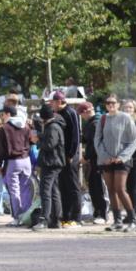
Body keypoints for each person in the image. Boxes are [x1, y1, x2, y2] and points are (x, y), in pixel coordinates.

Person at [95, 94, 136, 233]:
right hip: (106, 159)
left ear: (118, 104)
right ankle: (117, 220)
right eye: (108, 103)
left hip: (122, 159)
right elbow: (97, 140)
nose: (110, 105)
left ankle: (133, 220)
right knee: (111, 190)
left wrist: (123, 156)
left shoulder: (126, 118)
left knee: (120, 188)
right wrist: (105, 156)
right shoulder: (102, 119)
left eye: (113, 103)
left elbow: (134, 140)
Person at [0, 104, 32, 226]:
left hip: (13, 161)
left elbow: (0, 149)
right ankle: (27, 215)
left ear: (8, 114)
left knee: (14, 190)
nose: (2, 117)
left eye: (3, 114)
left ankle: (17, 217)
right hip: (26, 160)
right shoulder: (26, 126)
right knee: (26, 189)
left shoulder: (4, 128)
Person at [49, 91, 82, 227]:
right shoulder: (57, 114)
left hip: (69, 156)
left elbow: (75, 136)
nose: (51, 105)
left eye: (52, 102)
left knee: (73, 186)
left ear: (58, 102)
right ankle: (66, 216)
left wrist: (71, 154)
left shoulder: (70, 112)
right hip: (60, 156)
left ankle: (76, 217)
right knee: (63, 186)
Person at [32, 105, 65, 231]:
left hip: (50, 162)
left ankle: (44, 219)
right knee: (54, 191)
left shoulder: (52, 127)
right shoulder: (54, 126)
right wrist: (40, 136)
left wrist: (37, 141)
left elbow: (50, 144)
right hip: (54, 162)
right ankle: (55, 220)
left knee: (45, 190)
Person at [78, 102, 108, 224]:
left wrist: (86, 157)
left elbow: (94, 144)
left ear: (86, 112)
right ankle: (97, 213)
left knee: (98, 187)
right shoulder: (92, 123)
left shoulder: (95, 123)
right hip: (96, 160)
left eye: (81, 113)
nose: (82, 116)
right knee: (93, 185)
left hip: (98, 160)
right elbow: (86, 138)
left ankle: (102, 214)